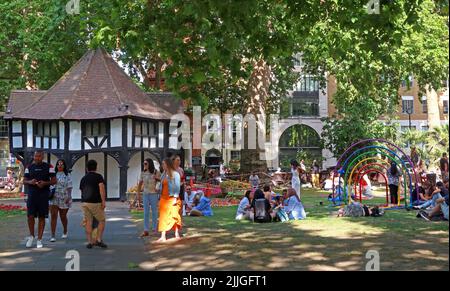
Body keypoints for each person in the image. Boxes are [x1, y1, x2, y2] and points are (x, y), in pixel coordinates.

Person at [24, 151, 56, 248]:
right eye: (35, 156)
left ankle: (39, 239)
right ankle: (31, 236)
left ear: (43, 157)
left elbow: (54, 180)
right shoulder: (28, 167)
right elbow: (24, 181)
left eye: (39, 156)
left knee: (42, 217)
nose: (36, 158)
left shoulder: (49, 166)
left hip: (43, 195)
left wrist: (45, 183)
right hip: (32, 195)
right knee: (30, 216)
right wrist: (30, 181)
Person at [80, 160, 107, 249]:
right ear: (96, 167)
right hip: (96, 202)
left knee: (88, 222)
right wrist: (103, 201)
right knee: (102, 220)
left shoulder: (83, 178)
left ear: (87, 168)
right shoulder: (99, 177)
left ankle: (90, 242)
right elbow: (101, 188)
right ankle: (98, 240)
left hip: (85, 202)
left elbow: (81, 190)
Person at [157, 157, 182, 242]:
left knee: (174, 215)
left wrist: (175, 198)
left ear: (167, 164)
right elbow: (161, 185)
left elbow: (177, 187)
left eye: (163, 164)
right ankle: (163, 236)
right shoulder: (163, 174)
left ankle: (176, 233)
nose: (162, 165)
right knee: (163, 217)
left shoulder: (176, 174)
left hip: (172, 197)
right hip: (164, 198)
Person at [49, 159, 73, 242]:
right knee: (53, 216)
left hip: (64, 197)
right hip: (54, 197)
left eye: (62, 164)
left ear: (64, 166)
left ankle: (65, 230)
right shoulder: (53, 174)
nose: (60, 165)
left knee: (63, 216)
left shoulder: (67, 175)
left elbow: (69, 187)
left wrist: (69, 197)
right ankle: (52, 235)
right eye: (58, 164)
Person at [137, 158, 160, 238]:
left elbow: (160, 181)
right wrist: (138, 194)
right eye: (144, 164)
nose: (144, 165)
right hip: (146, 194)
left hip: (154, 194)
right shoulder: (143, 173)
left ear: (150, 164)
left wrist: (156, 178)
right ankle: (145, 230)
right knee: (146, 212)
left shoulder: (156, 171)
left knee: (154, 212)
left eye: (146, 163)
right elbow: (139, 184)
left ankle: (154, 229)